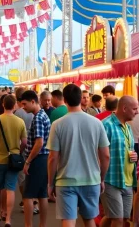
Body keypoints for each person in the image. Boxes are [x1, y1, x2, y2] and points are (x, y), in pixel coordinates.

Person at [46, 84, 110, 227]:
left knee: (68, 220)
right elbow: (105, 155)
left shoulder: (57, 125)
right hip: (91, 179)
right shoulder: (96, 123)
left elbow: (52, 158)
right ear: (81, 99)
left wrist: (50, 183)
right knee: (89, 220)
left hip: (65, 181)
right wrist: (101, 178)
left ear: (65, 100)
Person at [0, 95, 27, 227]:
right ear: (15, 105)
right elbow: (25, 142)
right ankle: (8, 218)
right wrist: (18, 151)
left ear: (3, 105)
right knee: (10, 189)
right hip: (13, 160)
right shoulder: (20, 121)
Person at [100, 96, 138, 227]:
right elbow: (97, 152)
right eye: (134, 109)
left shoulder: (127, 127)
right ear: (124, 108)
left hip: (127, 181)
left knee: (120, 218)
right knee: (117, 219)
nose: (137, 112)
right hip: (111, 180)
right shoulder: (106, 125)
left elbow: (129, 149)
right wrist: (100, 178)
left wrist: (134, 156)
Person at [20, 90, 51, 227]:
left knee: (28, 195)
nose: (23, 107)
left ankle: (28, 225)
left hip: (37, 160)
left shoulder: (38, 118)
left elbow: (39, 143)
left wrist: (28, 161)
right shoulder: (43, 115)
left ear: (33, 101)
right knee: (42, 194)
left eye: (25, 104)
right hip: (44, 159)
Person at [14, 88, 37, 213]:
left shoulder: (18, 113)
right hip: (35, 149)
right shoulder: (37, 112)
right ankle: (34, 202)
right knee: (33, 177)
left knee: (22, 178)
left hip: (23, 148)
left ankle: (29, 202)